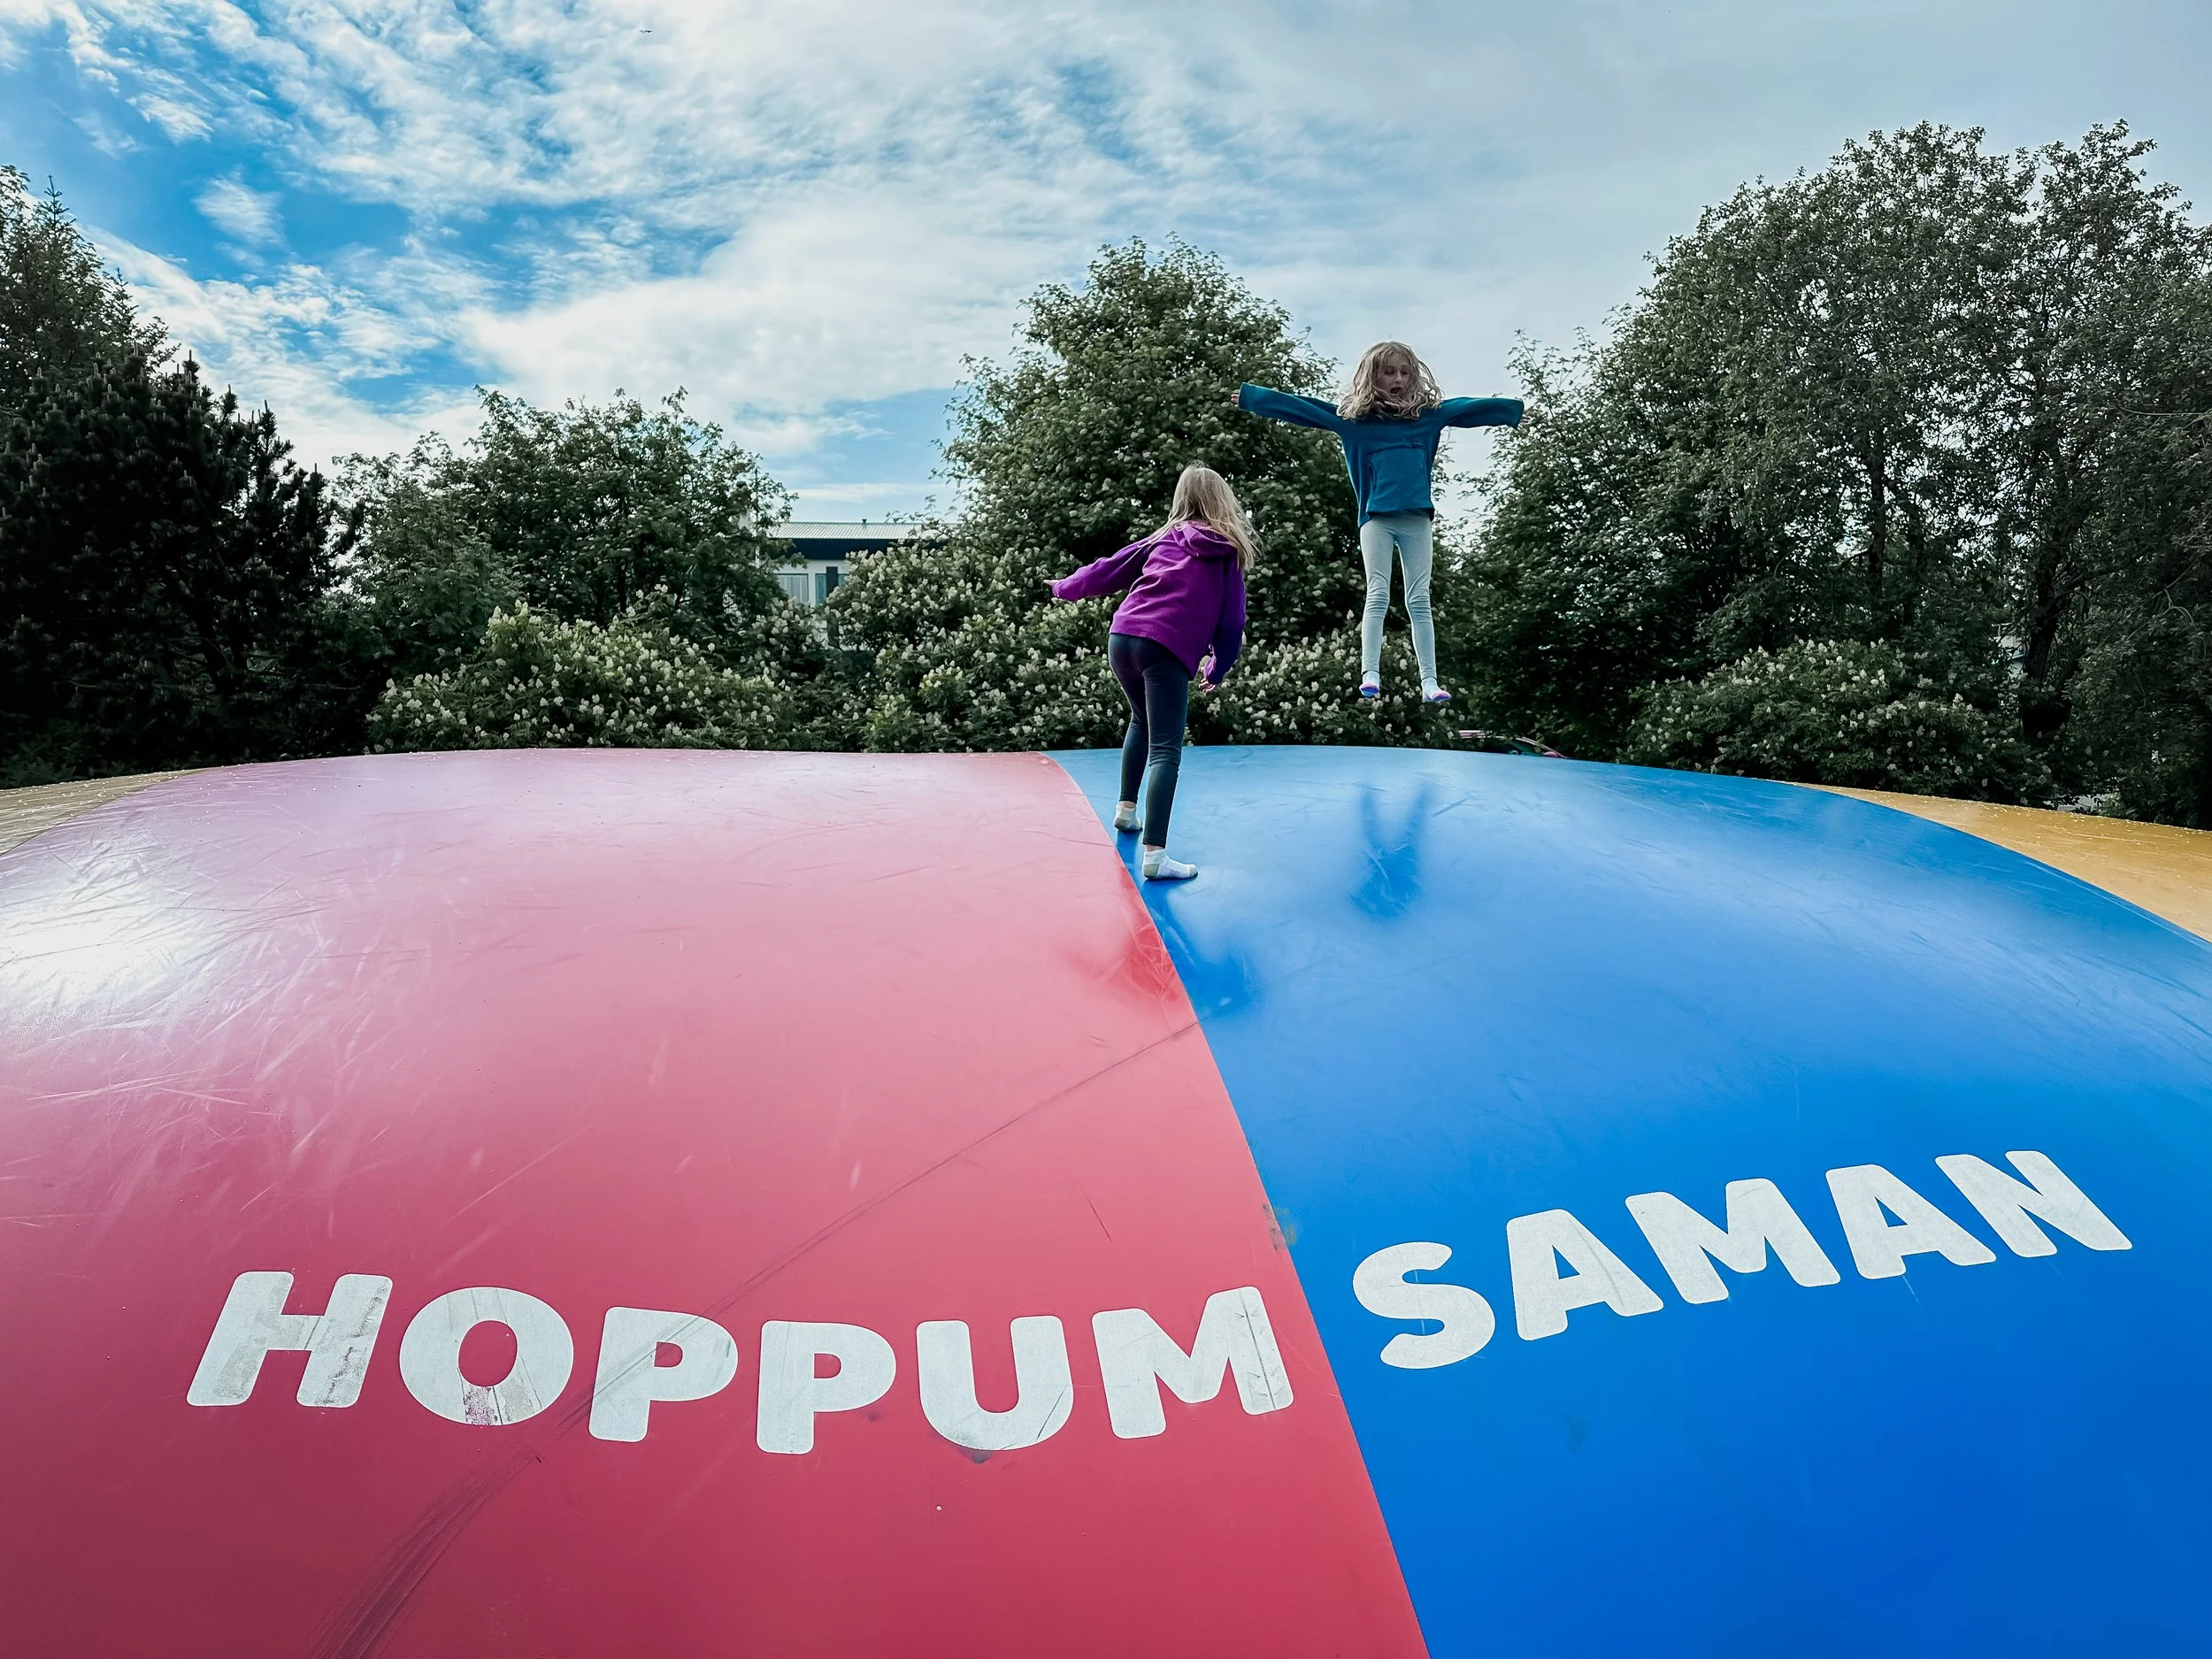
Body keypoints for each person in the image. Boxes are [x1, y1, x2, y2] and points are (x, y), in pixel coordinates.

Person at [1233, 342, 1521, 704]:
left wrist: (1513, 412)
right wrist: (1252, 398)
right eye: (1389, 372)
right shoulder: (1355, 423)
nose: (1397, 379)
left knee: (1419, 600)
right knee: (1378, 594)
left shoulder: (1426, 417)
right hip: (1376, 520)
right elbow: (1305, 408)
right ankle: (1370, 673)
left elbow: (1465, 408)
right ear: (1373, 377)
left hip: (1416, 519)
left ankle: (1429, 681)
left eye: (1404, 372)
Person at [1050, 465, 1252, 881]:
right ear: (1223, 502)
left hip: (1122, 637)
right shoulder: (1228, 551)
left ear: (1182, 499)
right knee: (1166, 749)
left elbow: (1108, 568)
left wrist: (1064, 587)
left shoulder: (1163, 537)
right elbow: (1232, 622)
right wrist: (1220, 664)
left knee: (1141, 719)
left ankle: (1126, 811)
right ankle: (1156, 856)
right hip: (1164, 646)